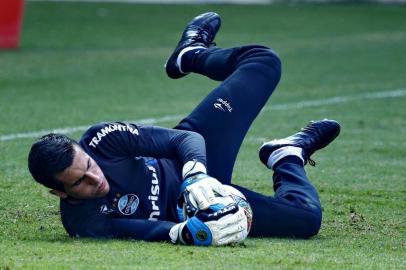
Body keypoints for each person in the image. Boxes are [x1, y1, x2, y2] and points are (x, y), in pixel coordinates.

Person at [28, 12, 340, 246]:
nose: (94, 178)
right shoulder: (82, 222)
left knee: (263, 61)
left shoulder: (102, 140)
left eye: (88, 165)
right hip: (202, 207)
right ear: (59, 192)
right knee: (307, 219)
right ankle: (286, 156)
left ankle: (190, 54)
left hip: (196, 161)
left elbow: (185, 138)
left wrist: (195, 175)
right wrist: (189, 230)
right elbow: (139, 231)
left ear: (83, 152)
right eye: (80, 181)